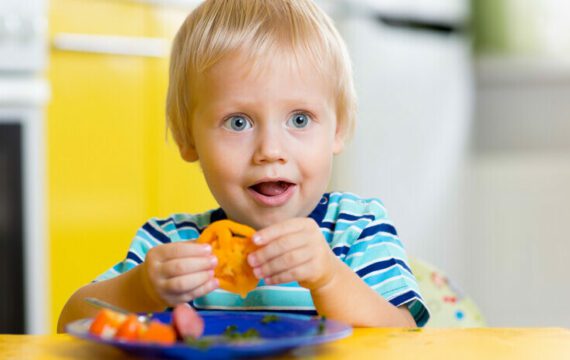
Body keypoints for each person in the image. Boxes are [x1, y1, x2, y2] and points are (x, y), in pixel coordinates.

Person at [58, 0, 429, 332]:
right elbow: (70, 324)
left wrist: (328, 278)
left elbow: (404, 336)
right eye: (238, 122)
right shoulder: (171, 243)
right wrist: (140, 288)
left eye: (299, 119)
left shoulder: (356, 229)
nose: (270, 151)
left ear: (339, 129)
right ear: (188, 139)